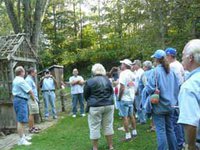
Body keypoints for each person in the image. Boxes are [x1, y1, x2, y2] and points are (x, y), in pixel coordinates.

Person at [143, 50, 179, 150]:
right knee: (170, 129)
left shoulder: (155, 72)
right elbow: (176, 88)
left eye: (154, 58)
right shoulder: (171, 71)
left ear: (156, 59)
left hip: (159, 105)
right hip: (171, 105)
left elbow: (150, 88)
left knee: (161, 130)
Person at [84, 63, 114, 150]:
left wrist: (90, 101)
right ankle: (110, 146)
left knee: (94, 126)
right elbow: (111, 92)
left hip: (95, 106)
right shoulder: (108, 80)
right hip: (108, 104)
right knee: (108, 125)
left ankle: (95, 148)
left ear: (93, 70)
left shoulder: (89, 81)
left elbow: (86, 95)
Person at [178, 39, 200, 150]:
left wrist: (190, 146)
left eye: (183, 55)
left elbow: (190, 123)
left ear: (190, 58)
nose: (181, 59)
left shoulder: (189, 86)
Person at [165, 47, 185, 150]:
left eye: (166, 56)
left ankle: (179, 143)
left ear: (169, 56)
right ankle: (181, 141)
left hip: (175, 95)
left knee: (175, 120)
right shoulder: (179, 64)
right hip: (179, 94)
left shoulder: (172, 66)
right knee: (179, 119)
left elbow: (174, 82)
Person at [12, 66, 35, 146]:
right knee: (21, 121)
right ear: (21, 72)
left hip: (19, 100)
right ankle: (22, 140)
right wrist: (34, 100)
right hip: (21, 101)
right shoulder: (21, 80)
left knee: (22, 120)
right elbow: (30, 91)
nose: (25, 73)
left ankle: (23, 136)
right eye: (24, 71)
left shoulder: (16, 79)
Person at [118, 59, 137, 141]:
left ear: (125, 65)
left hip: (124, 98)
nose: (121, 65)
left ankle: (127, 135)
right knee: (131, 115)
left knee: (124, 117)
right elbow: (133, 85)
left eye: (122, 64)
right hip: (131, 98)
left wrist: (119, 97)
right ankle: (134, 131)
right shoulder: (132, 74)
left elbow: (122, 87)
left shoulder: (123, 74)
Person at [25, 67, 40, 134]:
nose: (35, 74)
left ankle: (33, 127)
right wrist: (34, 99)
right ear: (31, 72)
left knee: (33, 113)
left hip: (33, 98)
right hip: (31, 99)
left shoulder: (30, 79)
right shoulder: (28, 80)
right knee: (31, 114)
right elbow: (29, 91)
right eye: (35, 72)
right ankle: (31, 129)